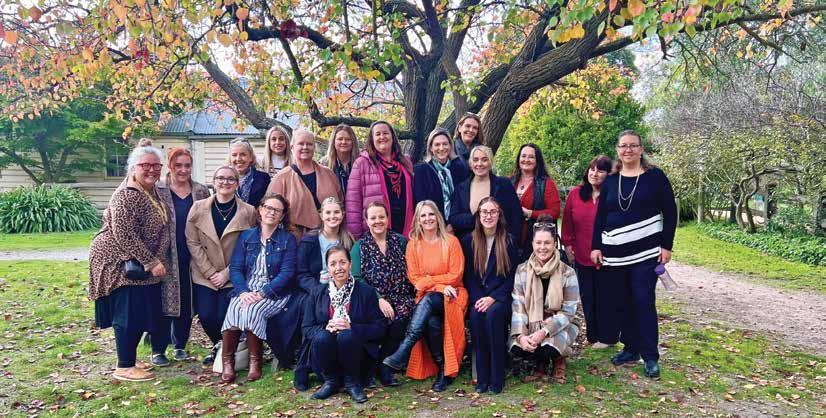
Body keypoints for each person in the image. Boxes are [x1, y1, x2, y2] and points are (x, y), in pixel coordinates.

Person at [590, 130, 677, 379]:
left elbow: (670, 211)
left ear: (641, 149)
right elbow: (601, 217)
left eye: (633, 145)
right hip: (614, 255)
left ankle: (650, 356)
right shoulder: (611, 181)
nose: (628, 150)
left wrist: (667, 245)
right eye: (623, 146)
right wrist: (596, 246)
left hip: (646, 254)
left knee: (643, 300)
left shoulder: (655, 177)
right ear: (617, 150)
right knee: (622, 302)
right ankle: (631, 348)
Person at [89, 139, 170, 382]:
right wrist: (151, 262)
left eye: (156, 166)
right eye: (146, 165)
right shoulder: (126, 195)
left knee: (138, 309)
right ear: (133, 167)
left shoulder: (149, 190)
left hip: (136, 259)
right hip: (118, 261)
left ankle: (130, 359)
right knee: (128, 313)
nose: (152, 170)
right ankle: (124, 366)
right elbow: (124, 233)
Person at [383, 201, 466, 392]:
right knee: (431, 321)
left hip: (453, 295)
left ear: (438, 217)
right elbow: (415, 279)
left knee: (429, 300)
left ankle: (404, 349)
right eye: (423, 215)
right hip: (430, 295)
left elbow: (455, 275)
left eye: (431, 214)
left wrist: (431, 282)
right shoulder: (413, 245)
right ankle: (443, 368)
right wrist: (439, 285)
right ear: (418, 220)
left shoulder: (451, 242)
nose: (428, 219)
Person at [220, 194, 298, 383]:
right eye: (268, 208)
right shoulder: (247, 236)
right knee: (235, 309)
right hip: (247, 289)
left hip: (274, 293)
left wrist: (263, 293)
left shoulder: (288, 239)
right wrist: (243, 292)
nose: (272, 213)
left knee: (252, 310)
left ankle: (255, 362)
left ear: (282, 216)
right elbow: (236, 268)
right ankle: (228, 362)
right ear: (260, 210)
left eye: (277, 210)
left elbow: (287, 273)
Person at [185, 166, 258, 366]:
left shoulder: (248, 211)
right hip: (204, 273)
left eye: (230, 179)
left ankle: (226, 352)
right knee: (207, 315)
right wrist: (210, 272)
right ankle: (219, 345)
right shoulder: (198, 208)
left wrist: (227, 273)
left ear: (237, 183)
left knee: (224, 315)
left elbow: (251, 246)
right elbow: (192, 242)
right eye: (221, 178)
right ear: (214, 182)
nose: (225, 182)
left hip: (233, 273)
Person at [149, 147, 211, 366]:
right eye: (178, 166)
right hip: (164, 255)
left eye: (187, 165)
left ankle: (179, 345)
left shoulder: (201, 191)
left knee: (186, 301)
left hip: (192, 254)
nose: (183, 170)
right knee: (163, 303)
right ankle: (158, 349)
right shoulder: (158, 189)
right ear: (170, 166)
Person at [302, 246, 385, 403]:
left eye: (342, 262)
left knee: (347, 336)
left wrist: (352, 327)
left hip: (358, 358)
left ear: (350, 264)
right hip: (326, 357)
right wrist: (325, 328)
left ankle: (352, 383)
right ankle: (330, 382)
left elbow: (380, 328)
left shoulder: (366, 292)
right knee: (323, 336)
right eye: (333, 264)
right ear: (328, 268)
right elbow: (306, 328)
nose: (338, 268)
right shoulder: (317, 293)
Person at [350, 201, 416, 387]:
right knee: (377, 320)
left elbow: (413, 267)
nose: (378, 221)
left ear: (387, 218)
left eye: (381, 216)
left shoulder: (401, 241)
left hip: (402, 296)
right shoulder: (359, 247)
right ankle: (370, 367)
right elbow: (357, 278)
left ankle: (383, 366)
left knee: (401, 316)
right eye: (373, 218)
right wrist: (379, 299)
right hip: (373, 299)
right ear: (366, 221)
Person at [293, 197, 354, 389]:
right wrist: (318, 290)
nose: (332, 216)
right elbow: (301, 273)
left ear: (342, 215)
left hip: (343, 288)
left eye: (336, 212)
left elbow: (352, 270)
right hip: (314, 289)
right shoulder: (310, 240)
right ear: (321, 215)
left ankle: (342, 365)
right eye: (328, 212)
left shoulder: (348, 240)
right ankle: (303, 367)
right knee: (312, 313)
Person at [461, 197, 519, 394]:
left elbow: (512, 276)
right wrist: (479, 298)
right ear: (478, 215)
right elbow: (468, 276)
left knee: (494, 316)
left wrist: (493, 298)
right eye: (484, 212)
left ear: (499, 215)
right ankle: (482, 378)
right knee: (477, 316)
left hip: (500, 297)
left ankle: (497, 378)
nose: (488, 216)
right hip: (478, 296)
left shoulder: (508, 240)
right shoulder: (468, 241)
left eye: (492, 212)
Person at [509, 220, 580, 384]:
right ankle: (539, 362)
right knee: (518, 347)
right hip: (531, 322)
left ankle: (559, 359)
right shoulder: (522, 270)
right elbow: (519, 306)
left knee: (549, 347)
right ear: (532, 244)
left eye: (547, 243)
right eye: (538, 242)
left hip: (558, 323)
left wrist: (545, 331)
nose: (542, 247)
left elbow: (569, 311)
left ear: (555, 244)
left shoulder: (567, 272)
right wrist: (521, 336)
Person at [561, 155, 618, 349]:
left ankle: (608, 337)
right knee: (587, 296)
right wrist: (568, 246)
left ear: (608, 174)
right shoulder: (575, 194)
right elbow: (567, 223)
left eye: (600, 170)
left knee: (606, 297)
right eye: (592, 169)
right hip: (581, 254)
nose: (595, 173)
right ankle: (593, 336)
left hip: (608, 256)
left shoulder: (613, 195)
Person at [267, 129, 343, 239]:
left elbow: (340, 203)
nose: (305, 147)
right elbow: (270, 210)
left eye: (309, 144)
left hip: (329, 237)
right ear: (292, 147)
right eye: (301, 144)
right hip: (295, 239)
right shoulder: (282, 177)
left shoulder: (329, 174)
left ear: (314, 147)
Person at [345, 121, 414, 239]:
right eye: (377, 134)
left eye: (385, 133)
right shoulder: (362, 163)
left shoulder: (405, 161)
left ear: (392, 137)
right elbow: (353, 204)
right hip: (376, 232)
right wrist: (356, 237)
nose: (382, 137)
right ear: (372, 139)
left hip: (405, 227)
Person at [449, 145, 522, 240]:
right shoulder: (461, 188)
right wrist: (477, 219)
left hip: (500, 242)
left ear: (490, 163)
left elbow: (516, 214)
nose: (479, 164)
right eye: (475, 160)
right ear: (470, 164)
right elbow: (454, 218)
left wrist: (511, 240)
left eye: (484, 160)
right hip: (470, 243)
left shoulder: (504, 184)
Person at [511, 144, 561, 258]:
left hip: (537, 243)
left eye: (531, 157)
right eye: (523, 156)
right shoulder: (510, 181)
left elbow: (555, 212)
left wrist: (530, 213)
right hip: (511, 242)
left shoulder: (546, 183)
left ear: (537, 161)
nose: (526, 160)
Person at [412, 128, 470, 222]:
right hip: (431, 224)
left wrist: (453, 225)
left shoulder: (459, 168)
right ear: (431, 148)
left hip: (457, 224)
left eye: (445, 144)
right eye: (437, 145)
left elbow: (464, 200)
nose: (442, 148)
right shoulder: (420, 171)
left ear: (450, 146)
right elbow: (421, 203)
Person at [319, 124, 360, 194]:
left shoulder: (361, 162)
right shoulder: (324, 164)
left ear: (353, 142)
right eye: (340, 139)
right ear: (333, 141)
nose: (344, 142)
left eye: (348, 139)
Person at [229, 138, 270, 206]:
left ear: (250, 157)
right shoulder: (223, 179)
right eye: (234, 155)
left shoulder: (263, 179)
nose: (238, 159)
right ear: (230, 158)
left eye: (243, 154)